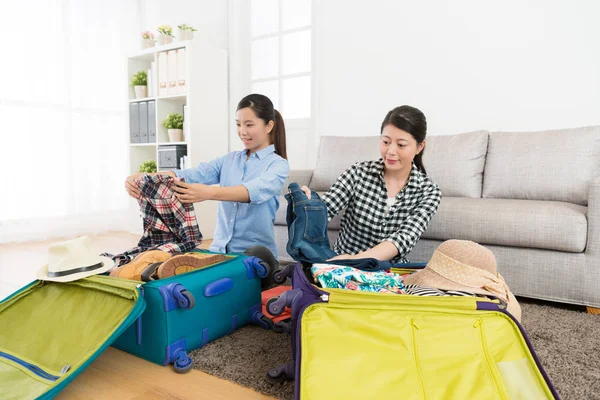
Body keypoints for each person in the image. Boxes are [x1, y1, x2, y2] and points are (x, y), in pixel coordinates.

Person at [125, 94, 289, 257]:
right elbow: (192, 174)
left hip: (256, 258)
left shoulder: (278, 165)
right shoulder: (229, 160)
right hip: (218, 252)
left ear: (269, 126)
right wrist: (145, 177)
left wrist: (208, 193)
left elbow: (252, 191)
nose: (242, 132)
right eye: (238, 125)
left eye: (249, 125)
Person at [302, 105, 441, 263]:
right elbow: (325, 209)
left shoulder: (429, 192)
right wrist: (308, 205)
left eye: (401, 145)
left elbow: (403, 239)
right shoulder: (358, 173)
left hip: (388, 273)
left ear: (419, 146)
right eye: (386, 142)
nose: (391, 151)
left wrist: (355, 260)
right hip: (341, 266)